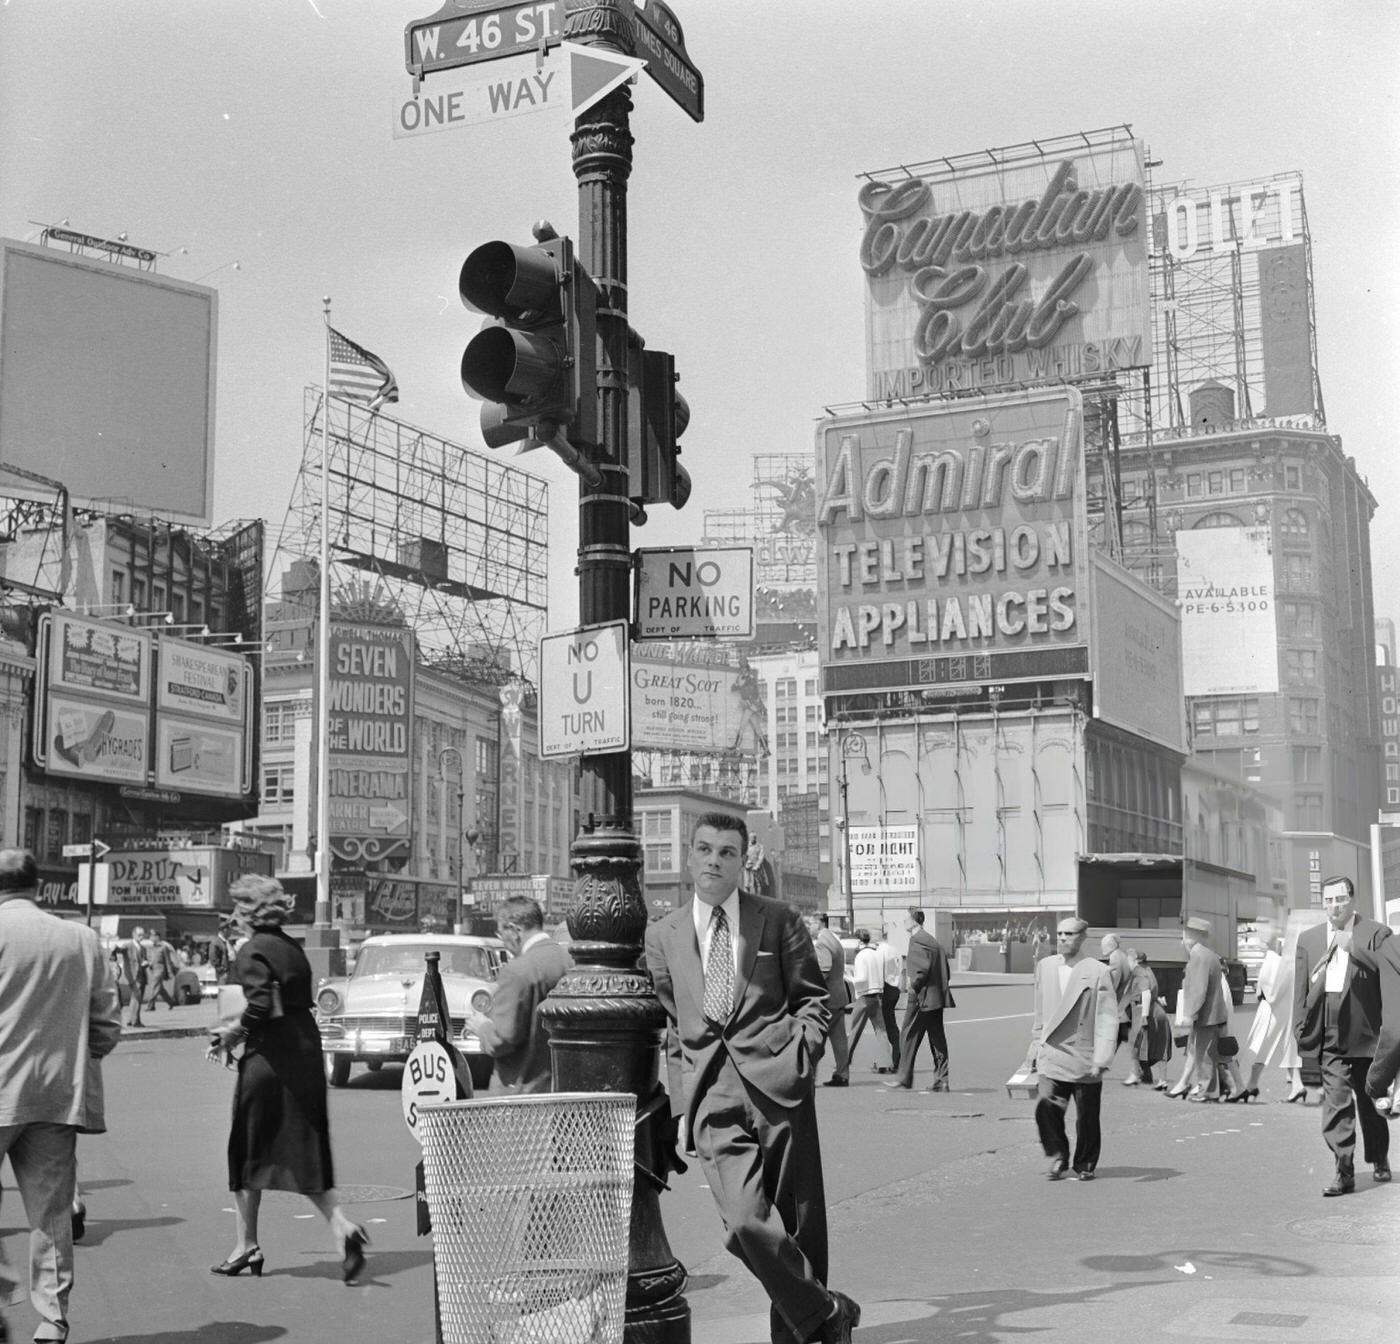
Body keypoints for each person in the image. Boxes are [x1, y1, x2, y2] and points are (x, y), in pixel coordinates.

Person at [645, 812, 860, 1344]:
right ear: (689, 857)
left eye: (727, 852)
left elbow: (814, 999)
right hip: (710, 1098)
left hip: (779, 1084)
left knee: (799, 1222)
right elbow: (675, 1025)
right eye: (704, 849)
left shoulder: (778, 919)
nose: (714, 860)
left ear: (744, 862)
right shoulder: (663, 934)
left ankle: (803, 1334)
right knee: (745, 1221)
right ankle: (825, 1312)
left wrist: (803, 1055)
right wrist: (679, 1107)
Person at [207, 876, 368, 1281]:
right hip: (306, 1054)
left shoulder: (252, 949)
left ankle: (247, 1245)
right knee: (305, 1149)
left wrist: (232, 1033)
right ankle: (341, 1227)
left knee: (245, 1150)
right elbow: (285, 1001)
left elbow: (261, 1004)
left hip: (270, 1059)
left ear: (245, 911)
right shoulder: (293, 948)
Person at [0, 848, 121, 1344]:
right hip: (56, 1093)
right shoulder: (80, 938)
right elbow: (108, 1027)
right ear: (39, 885)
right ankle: (52, 1318)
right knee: (51, 1214)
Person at [1291, 874, 1391, 1196]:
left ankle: (1379, 1157)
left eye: (1341, 900)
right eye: (1329, 900)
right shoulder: (1308, 939)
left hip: (1367, 1036)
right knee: (1335, 1106)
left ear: (1352, 901)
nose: (1334, 907)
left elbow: (1391, 970)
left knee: (1370, 1105)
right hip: (1329, 1034)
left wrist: (1356, 950)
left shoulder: (1375, 933)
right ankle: (1343, 1170)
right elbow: (1301, 988)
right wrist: (1300, 1027)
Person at [1026, 918, 1118, 1180]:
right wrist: (1035, 1043)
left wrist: (1102, 1057)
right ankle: (1058, 1156)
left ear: (1083, 937)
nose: (1063, 938)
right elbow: (1040, 1010)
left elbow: (1107, 1016)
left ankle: (1085, 1163)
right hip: (1052, 1052)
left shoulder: (1097, 970)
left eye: (1069, 933)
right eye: (1059, 933)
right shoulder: (1045, 967)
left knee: (1087, 1116)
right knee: (1046, 1108)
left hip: (1085, 1054)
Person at [463, 896, 570, 1093]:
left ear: (514, 930)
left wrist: (482, 1028)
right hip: (560, 1086)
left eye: (501, 933)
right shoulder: (568, 962)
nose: (503, 941)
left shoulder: (517, 970)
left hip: (521, 1092)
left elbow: (502, 1039)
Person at [883, 908, 953, 1093]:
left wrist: (913, 986)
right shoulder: (933, 941)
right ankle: (942, 1079)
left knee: (908, 1035)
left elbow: (919, 971)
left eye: (906, 918)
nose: (904, 921)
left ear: (913, 921)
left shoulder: (916, 940)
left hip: (920, 998)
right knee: (937, 1038)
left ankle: (904, 1077)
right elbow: (946, 969)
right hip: (936, 997)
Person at [1169, 916, 1228, 1101]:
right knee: (1206, 1053)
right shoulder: (1209, 954)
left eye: (1185, 937)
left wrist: (1190, 1014)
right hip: (1214, 1014)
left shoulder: (1198, 956)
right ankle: (1214, 1089)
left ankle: (1206, 1092)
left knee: (1203, 1055)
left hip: (1206, 1016)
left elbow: (1198, 989)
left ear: (1190, 938)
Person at [1242, 938, 1305, 1102]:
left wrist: (1264, 994)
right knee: (1288, 1046)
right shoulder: (1292, 963)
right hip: (1287, 1007)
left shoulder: (1275, 961)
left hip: (1271, 1008)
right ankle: (1297, 1084)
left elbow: (1269, 988)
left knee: (1261, 1045)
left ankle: (1252, 1084)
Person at [806, 913, 850, 1087]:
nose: (809, 927)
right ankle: (842, 1074)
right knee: (839, 1040)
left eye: (811, 924)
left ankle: (809, 1077)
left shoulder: (822, 942)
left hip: (827, 999)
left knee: (815, 1039)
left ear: (819, 923)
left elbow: (824, 969)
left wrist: (810, 985)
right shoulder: (834, 939)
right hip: (839, 997)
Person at [1123, 949, 1171, 1087]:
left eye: (1128, 960)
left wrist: (1144, 1016)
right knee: (1160, 1046)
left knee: (1135, 1043)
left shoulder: (1138, 972)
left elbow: (1146, 993)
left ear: (1134, 961)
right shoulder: (1149, 970)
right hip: (1158, 1011)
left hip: (1145, 1010)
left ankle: (1134, 1075)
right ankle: (1162, 1079)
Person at [845, 930, 891, 1072]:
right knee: (881, 1031)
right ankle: (886, 1063)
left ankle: (844, 1061)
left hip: (864, 996)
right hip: (876, 996)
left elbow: (861, 978)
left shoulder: (860, 956)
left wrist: (849, 977)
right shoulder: (876, 954)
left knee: (854, 1031)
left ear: (859, 941)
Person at [1101, 934, 1135, 1076]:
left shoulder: (1115, 957)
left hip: (1120, 1004)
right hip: (1125, 1003)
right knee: (1119, 1036)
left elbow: (1114, 981)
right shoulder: (1121, 955)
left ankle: (1103, 1062)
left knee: (1115, 1035)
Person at [875, 928, 903, 1071]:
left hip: (884, 988)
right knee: (890, 1022)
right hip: (894, 988)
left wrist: (878, 992)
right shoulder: (894, 950)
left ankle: (889, 1061)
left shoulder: (880, 951)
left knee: (884, 1026)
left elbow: (879, 972)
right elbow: (900, 970)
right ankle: (894, 1057)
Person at [115, 924, 150, 1028]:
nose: (141, 937)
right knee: (137, 996)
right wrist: (116, 948)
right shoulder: (128, 945)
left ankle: (131, 1019)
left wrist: (146, 962)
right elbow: (121, 950)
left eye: (142, 935)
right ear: (133, 935)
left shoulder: (143, 948)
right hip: (132, 975)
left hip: (142, 975)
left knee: (136, 997)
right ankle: (135, 1021)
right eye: (139, 935)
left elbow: (144, 959)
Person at [142, 928, 179, 1011]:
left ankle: (150, 1005)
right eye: (150, 936)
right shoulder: (150, 948)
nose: (151, 938)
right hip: (153, 970)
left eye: (153, 936)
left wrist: (169, 972)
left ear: (157, 937)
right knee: (160, 988)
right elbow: (149, 958)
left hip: (160, 969)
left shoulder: (163, 947)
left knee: (154, 986)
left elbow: (167, 961)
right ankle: (170, 1002)